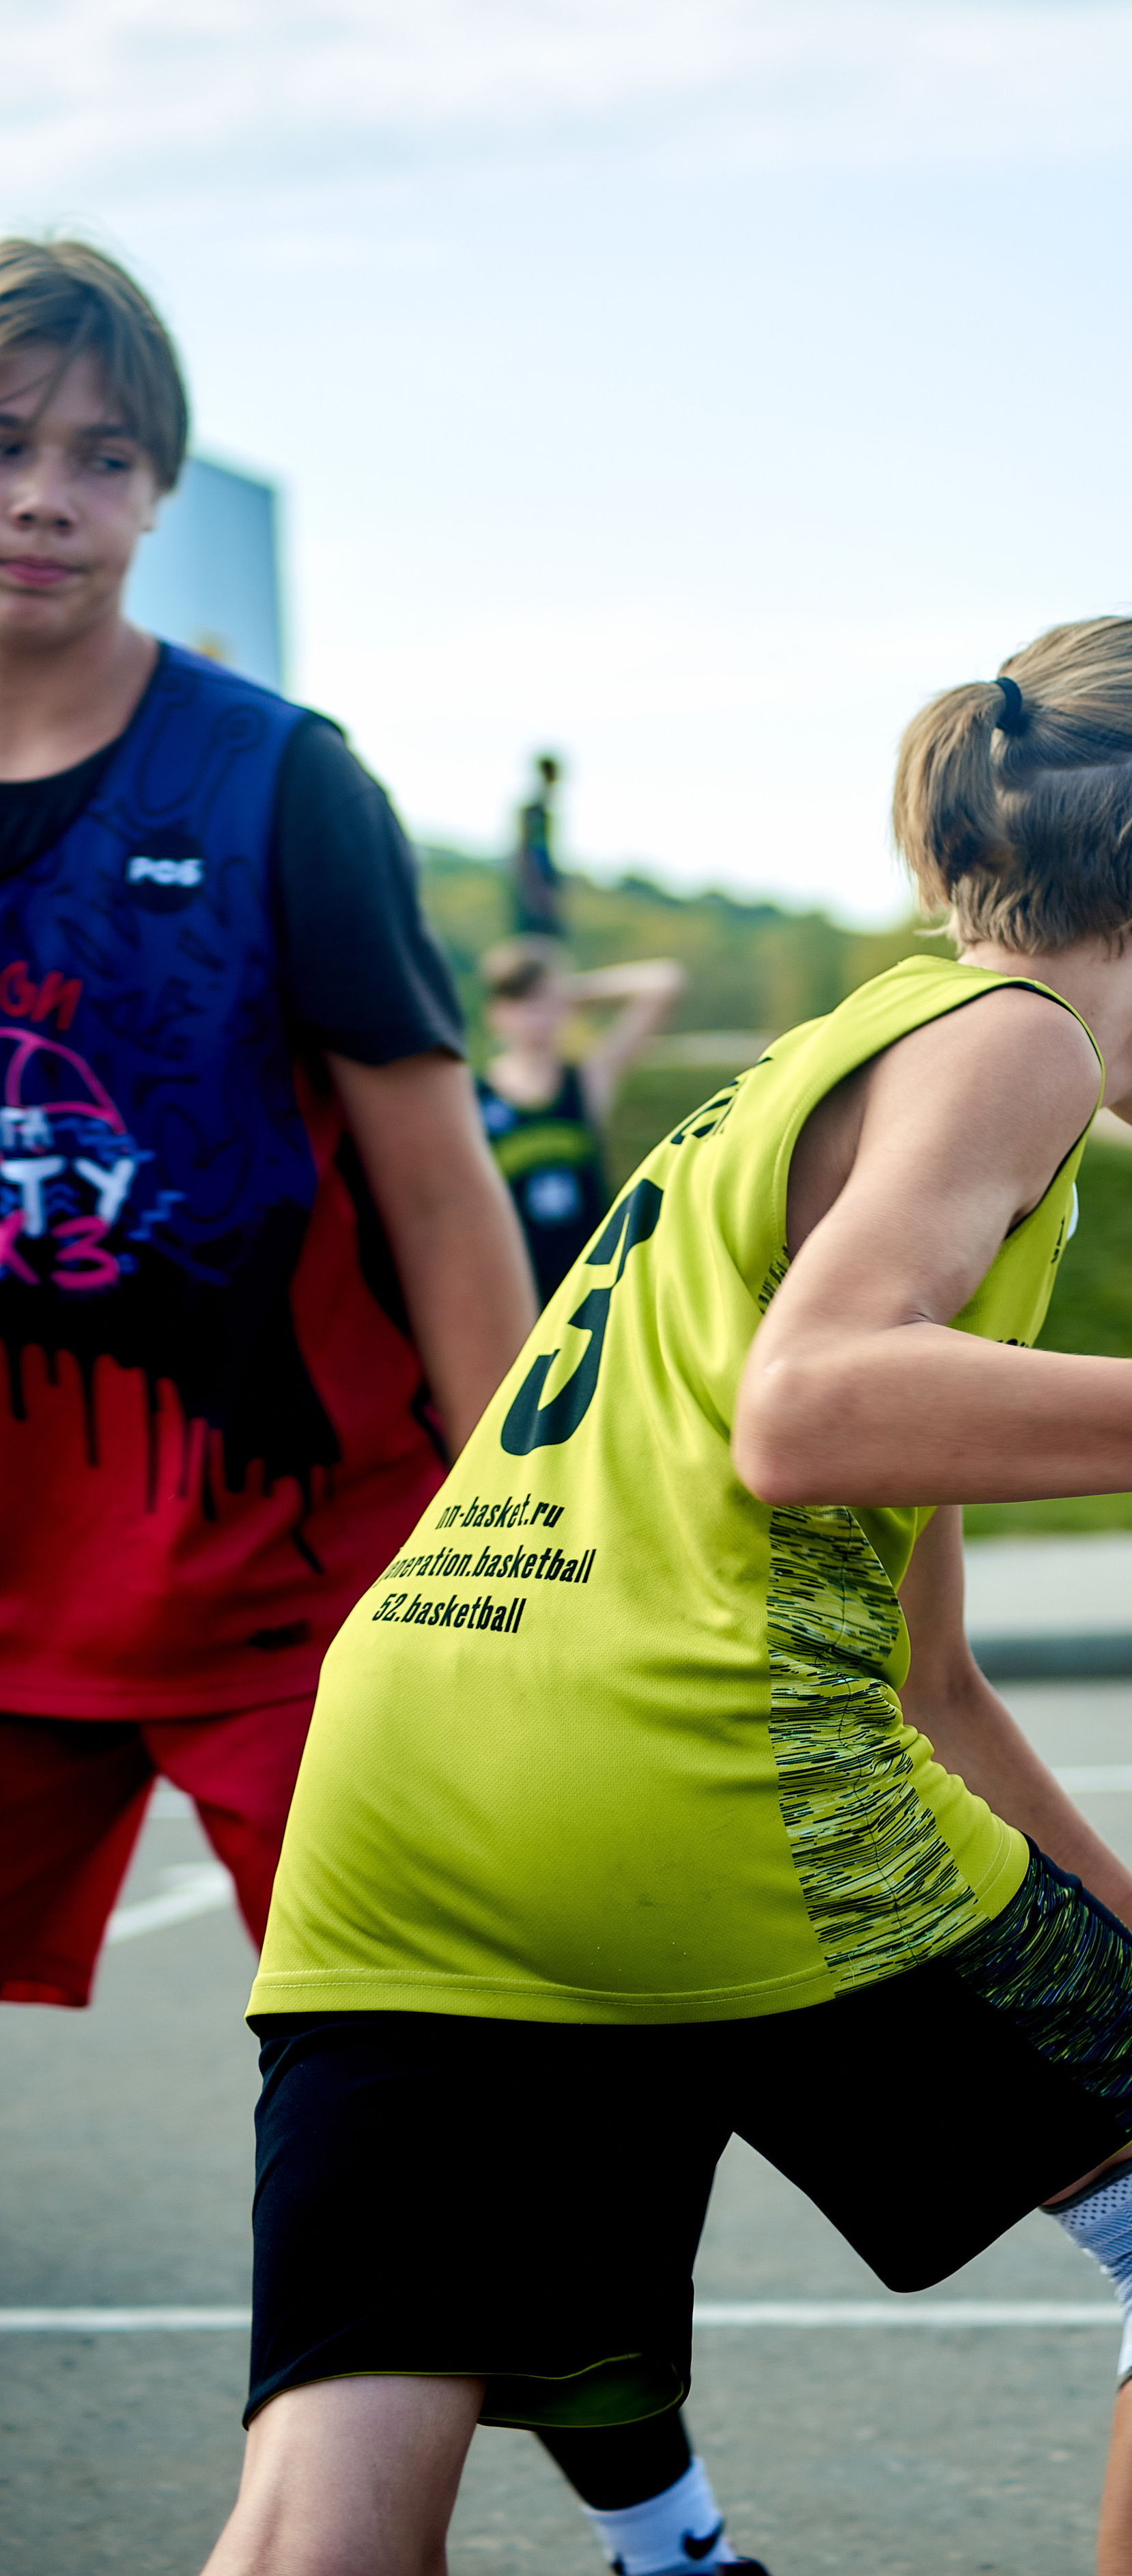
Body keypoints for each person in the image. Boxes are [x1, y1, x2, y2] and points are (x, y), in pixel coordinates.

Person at [179, 617, 1132, 2576]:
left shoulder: (830, 1074)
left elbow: (928, 1675)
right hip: (693, 1772)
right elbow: (812, 1414)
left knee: (321, 2550)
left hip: (405, 1783)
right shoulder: (1017, 1042)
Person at [0, 238, 537, 2008]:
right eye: (7, 442)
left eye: (103, 457)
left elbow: (445, 1197)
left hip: (295, 1573)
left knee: (414, 2059)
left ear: (158, 490)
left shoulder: (280, 780)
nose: (48, 496)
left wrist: (522, 1524)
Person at [477, 936, 683, 1303]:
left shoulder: (586, 1082)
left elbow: (664, 982)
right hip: (515, 1292)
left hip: (587, 1290)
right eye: (521, 1001)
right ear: (495, 1013)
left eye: (543, 1002)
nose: (534, 1016)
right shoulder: (475, 1099)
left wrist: (567, 991)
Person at [513, 751, 566, 934]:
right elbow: (527, 850)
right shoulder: (535, 811)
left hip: (542, 878)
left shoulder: (542, 810)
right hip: (536, 881)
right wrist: (538, 890)